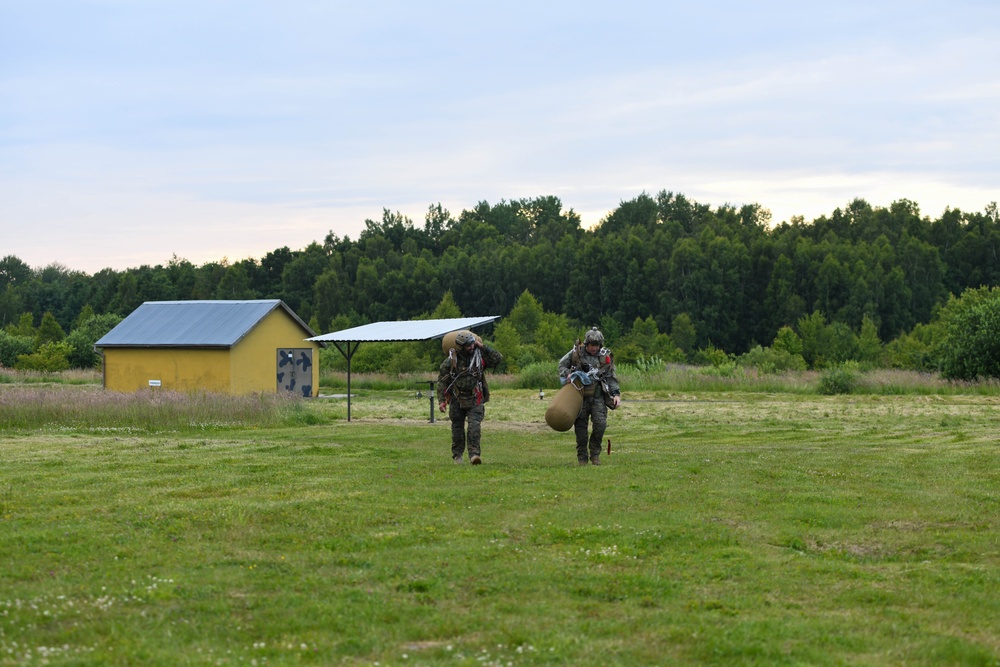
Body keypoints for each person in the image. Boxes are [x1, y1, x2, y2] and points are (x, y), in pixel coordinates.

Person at [557, 327, 621, 466]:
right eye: (592, 345)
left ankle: (595, 455)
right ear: (586, 344)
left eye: (597, 345)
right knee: (581, 430)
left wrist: (616, 394)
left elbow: (611, 377)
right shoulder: (576, 354)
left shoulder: (605, 356)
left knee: (600, 426)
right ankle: (582, 458)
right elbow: (561, 365)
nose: (594, 348)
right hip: (580, 397)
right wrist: (568, 374)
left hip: (598, 397)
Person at [437, 331, 503, 465]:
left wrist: (482, 347)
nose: (471, 347)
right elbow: (442, 381)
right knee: (457, 428)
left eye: (472, 344)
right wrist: (442, 401)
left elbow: (498, 358)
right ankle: (457, 455)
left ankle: (474, 455)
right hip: (457, 398)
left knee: (474, 427)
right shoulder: (451, 361)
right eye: (468, 345)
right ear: (461, 347)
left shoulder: (480, 356)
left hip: (475, 397)